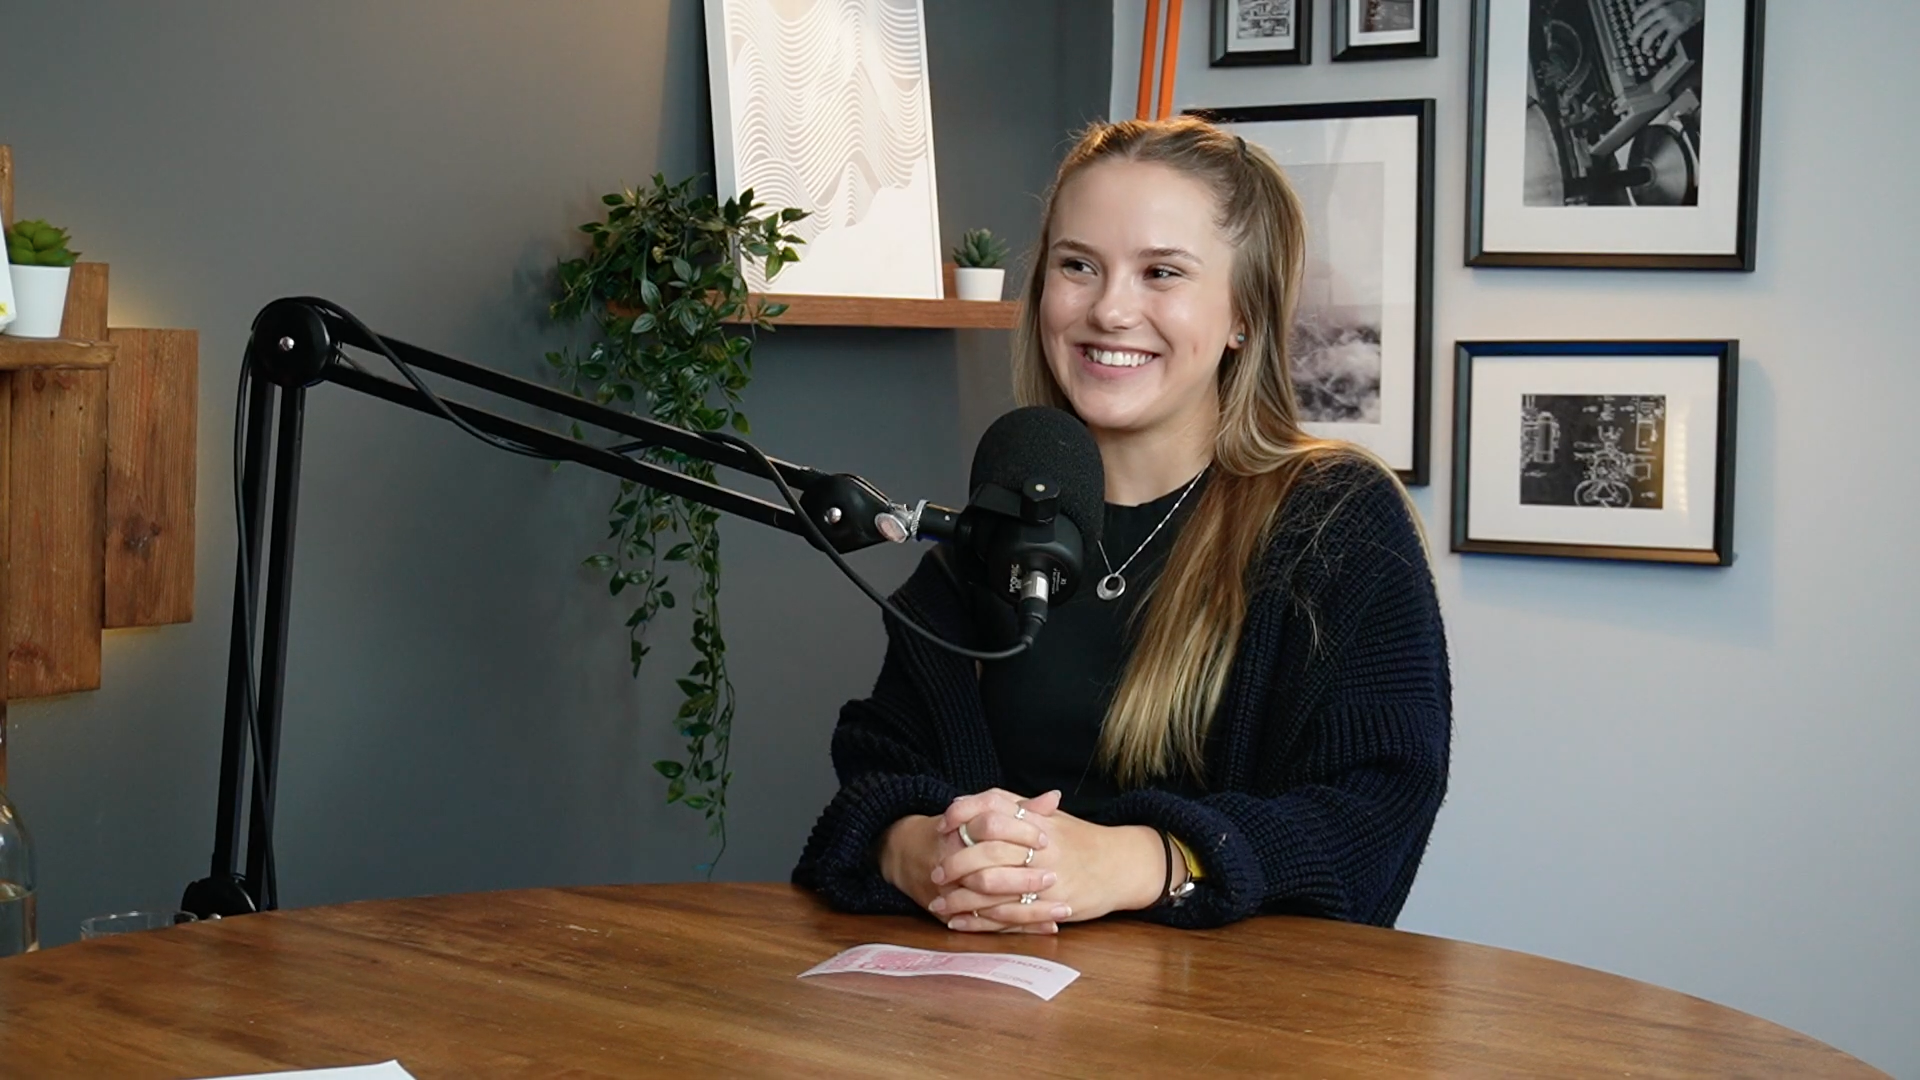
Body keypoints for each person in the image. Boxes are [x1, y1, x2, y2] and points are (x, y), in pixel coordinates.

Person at [792, 117, 1450, 932]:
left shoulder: (1336, 520)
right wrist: (915, 850)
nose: (1109, 309)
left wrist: (1141, 860)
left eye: (1161, 273)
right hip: (989, 990)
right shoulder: (1003, 523)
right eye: (1078, 266)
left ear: (1243, 313)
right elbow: (880, 770)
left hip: (1235, 1005)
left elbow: (1373, 815)